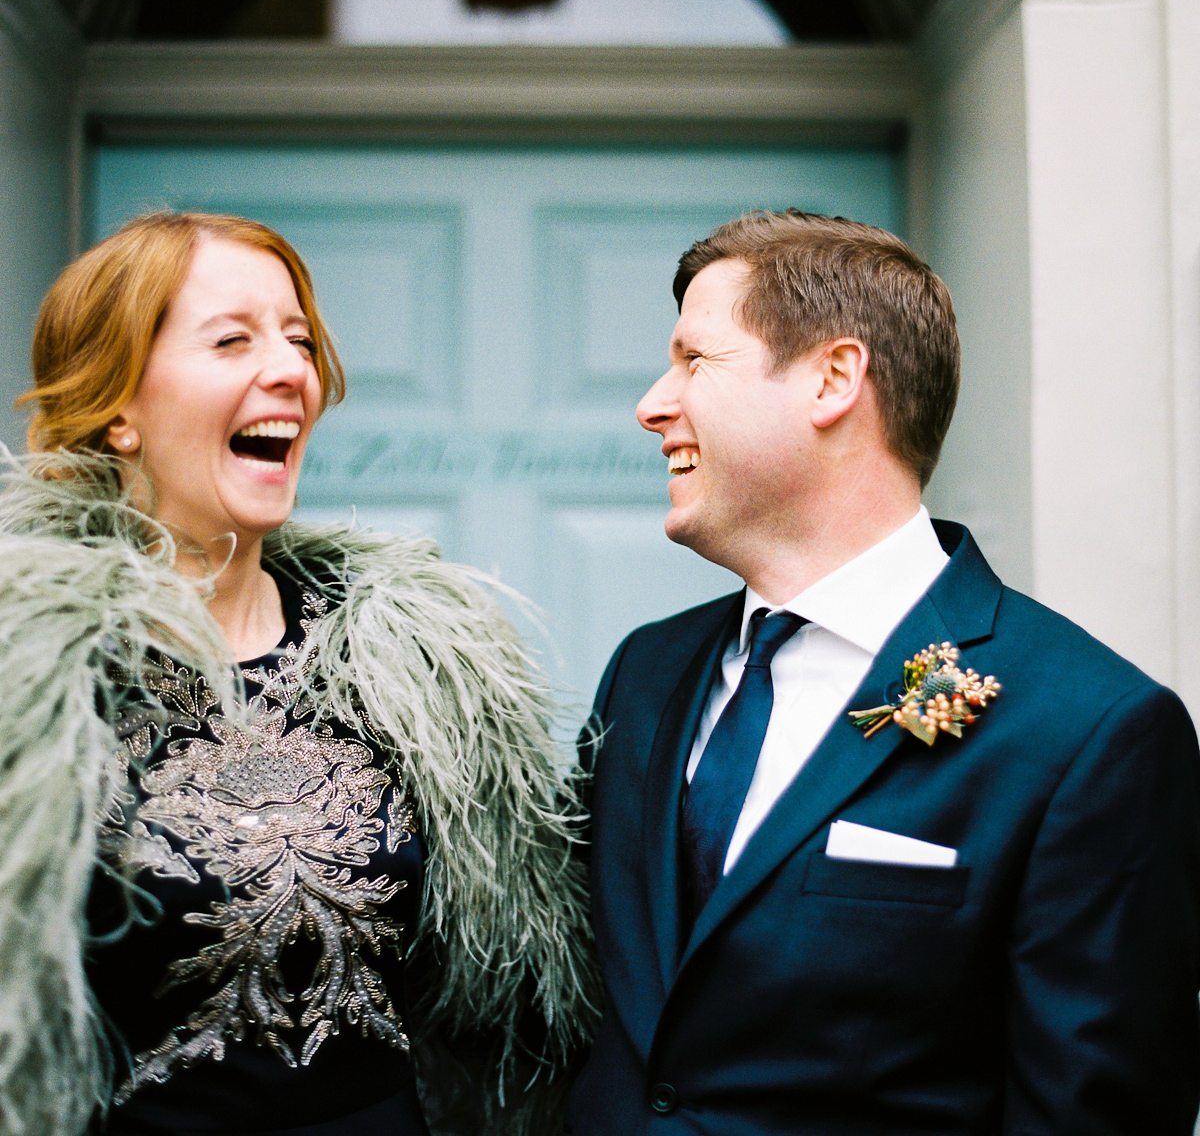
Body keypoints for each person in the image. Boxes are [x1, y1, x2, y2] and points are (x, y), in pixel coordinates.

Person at [568, 209, 1200, 1135]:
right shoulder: (647, 674)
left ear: (833, 379)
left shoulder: (1091, 732)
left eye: (695, 361)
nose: (653, 403)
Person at [0, 210, 597, 1136]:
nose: (289, 370)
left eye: (299, 339)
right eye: (232, 339)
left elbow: (507, 999)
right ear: (119, 408)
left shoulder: (412, 671)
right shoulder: (30, 676)